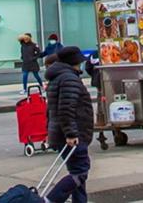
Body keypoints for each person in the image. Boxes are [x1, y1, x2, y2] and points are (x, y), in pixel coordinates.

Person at [44, 45, 96, 203]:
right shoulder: (69, 78)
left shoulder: (59, 77)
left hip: (63, 132)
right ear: (75, 62)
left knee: (76, 172)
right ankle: (50, 200)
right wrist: (71, 134)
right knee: (80, 172)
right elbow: (66, 109)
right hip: (73, 133)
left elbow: (52, 110)